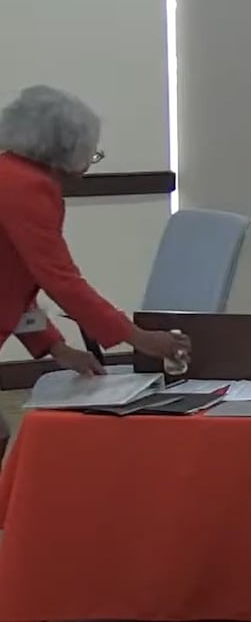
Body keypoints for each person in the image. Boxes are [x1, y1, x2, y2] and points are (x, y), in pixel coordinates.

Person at [0, 87, 192, 451]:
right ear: (65, 149)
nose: (88, 167)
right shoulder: (28, 188)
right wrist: (140, 338)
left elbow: (11, 284)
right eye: (92, 154)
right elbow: (62, 282)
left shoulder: (8, 173)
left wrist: (57, 349)